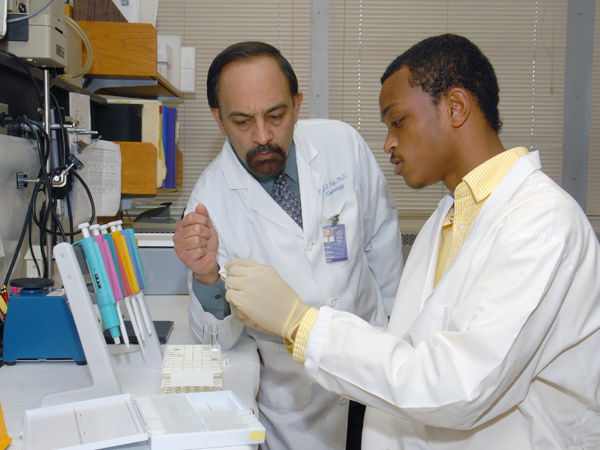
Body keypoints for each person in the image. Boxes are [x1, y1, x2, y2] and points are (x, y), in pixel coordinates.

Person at [223, 34, 600, 449]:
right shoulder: (449, 217)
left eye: (397, 121)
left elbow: (460, 387)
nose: (387, 143)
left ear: (455, 108)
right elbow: (412, 360)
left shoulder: (541, 223)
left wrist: (300, 323)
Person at [173, 41, 403, 450]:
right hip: (301, 405)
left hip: (376, 367)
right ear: (218, 120)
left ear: (297, 105)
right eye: (242, 122)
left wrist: (398, 338)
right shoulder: (210, 201)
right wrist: (206, 277)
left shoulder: (341, 146)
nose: (262, 136)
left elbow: (382, 242)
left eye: (275, 116)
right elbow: (218, 343)